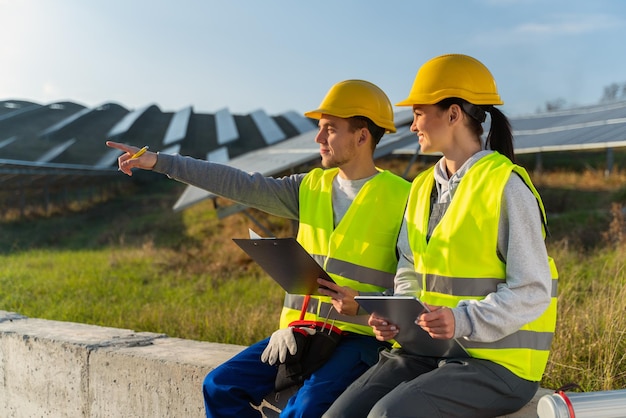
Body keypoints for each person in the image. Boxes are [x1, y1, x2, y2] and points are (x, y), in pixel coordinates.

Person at [106, 79, 411, 418]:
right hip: (301, 331)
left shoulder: (404, 197)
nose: (318, 138)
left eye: (330, 129)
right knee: (219, 386)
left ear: (362, 135)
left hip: (360, 339)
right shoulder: (309, 186)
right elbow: (239, 183)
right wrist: (160, 162)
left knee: (304, 409)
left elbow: (415, 280)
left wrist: (364, 304)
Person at [323, 54, 559, 418]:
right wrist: (395, 313)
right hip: (430, 351)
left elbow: (533, 289)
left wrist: (462, 320)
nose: (413, 124)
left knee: (388, 414)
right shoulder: (420, 188)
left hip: (496, 365)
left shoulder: (506, 187)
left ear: (453, 115)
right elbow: (409, 266)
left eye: (419, 112)